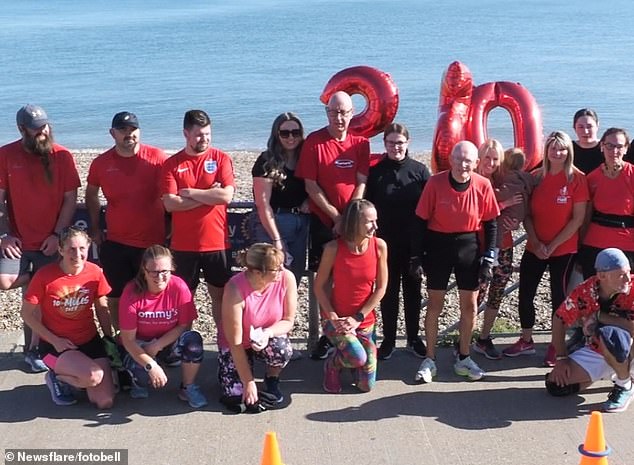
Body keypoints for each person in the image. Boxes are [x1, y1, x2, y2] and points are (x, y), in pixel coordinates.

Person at [0, 104, 80, 373]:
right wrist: (4, 235)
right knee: (5, 281)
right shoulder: (6, 154)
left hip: (51, 240)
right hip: (18, 241)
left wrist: (57, 235)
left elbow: (71, 199)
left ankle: (34, 351)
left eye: (45, 126)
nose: (43, 132)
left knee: (42, 300)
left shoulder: (63, 156)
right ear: (22, 129)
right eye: (36, 129)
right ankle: (36, 279)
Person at [411, 141, 499, 383]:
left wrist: (488, 259)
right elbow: (419, 221)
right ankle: (430, 358)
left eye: (468, 160)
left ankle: (464, 356)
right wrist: (416, 257)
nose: (463, 164)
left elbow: (492, 224)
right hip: (438, 245)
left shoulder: (483, 185)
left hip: (468, 246)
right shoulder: (435, 183)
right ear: (450, 160)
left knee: (469, 307)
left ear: (476, 163)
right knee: (435, 306)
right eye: (458, 159)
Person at [503, 131, 589, 366]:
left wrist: (551, 246)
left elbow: (577, 219)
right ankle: (526, 339)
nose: (558, 153)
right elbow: (527, 215)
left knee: (558, 298)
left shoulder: (577, 179)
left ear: (568, 152)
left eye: (562, 149)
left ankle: (556, 345)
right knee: (526, 294)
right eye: (553, 148)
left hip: (563, 250)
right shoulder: (535, 177)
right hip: (535, 246)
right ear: (547, 151)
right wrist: (537, 243)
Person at [295, 91, 370, 360]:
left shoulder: (360, 143)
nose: (339, 118)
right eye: (333, 112)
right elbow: (310, 185)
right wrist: (336, 217)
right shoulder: (314, 142)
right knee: (323, 278)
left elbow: (361, 180)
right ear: (327, 113)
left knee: (352, 277)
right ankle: (330, 333)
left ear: (352, 113)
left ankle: (355, 329)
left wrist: (350, 216)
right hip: (322, 222)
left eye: (344, 112)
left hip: (353, 223)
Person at [86, 111, 167, 331]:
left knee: (153, 293)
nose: (128, 135)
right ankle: (122, 339)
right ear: (112, 133)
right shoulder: (101, 163)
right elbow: (91, 194)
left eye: (133, 130)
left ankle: (153, 338)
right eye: (123, 130)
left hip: (153, 242)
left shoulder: (158, 158)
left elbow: (172, 191)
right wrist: (94, 227)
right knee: (116, 295)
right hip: (116, 241)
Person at [20, 227, 114, 408]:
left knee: (105, 402)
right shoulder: (44, 276)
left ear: (88, 247)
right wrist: (55, 340)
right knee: (93, 376)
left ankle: (77, 378)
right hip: (55, 347)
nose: (77, 254)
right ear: (61, 250)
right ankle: (56, 377)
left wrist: (109, 338)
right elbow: (26, 313)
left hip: (89, 341)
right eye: (71, 249)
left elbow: (102, 308)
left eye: (82, 248)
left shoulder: (95, 272)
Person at [161, 109, 235, 331]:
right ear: (186, 133)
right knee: (184, 300)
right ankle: (184, 344)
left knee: (220, 296)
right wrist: (209, 196)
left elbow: (226, 196)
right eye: (199, 135)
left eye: (208, 134)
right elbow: (170, 204)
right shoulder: (172, 164)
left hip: (217, 243)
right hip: (184, 245)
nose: (204, 139)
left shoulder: (221, 158)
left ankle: (224, 344)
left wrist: (191, 192)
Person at [365, 123, 430, 360]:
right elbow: (366, 208)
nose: (395, 147)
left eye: (400, 143)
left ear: (407, 143)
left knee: (413, 292)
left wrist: (424, 247)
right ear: (385, 144)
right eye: (391, 143)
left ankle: (413, 338)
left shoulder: (420, 171)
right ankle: (389, 340)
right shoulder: (377, 172)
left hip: (414, 243)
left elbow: (430, 210)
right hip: (384, 244)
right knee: (388, 292)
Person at [118, 245, 207, 408]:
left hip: (166, 342)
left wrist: (158, 345)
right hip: (139, 345)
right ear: (144, 270)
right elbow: (128, 340)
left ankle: (187, 387)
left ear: (172, 269)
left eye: (165, 271)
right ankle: (138, 381)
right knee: (143, 377)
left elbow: (183, 325)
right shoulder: (131, 292)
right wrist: (151, 365)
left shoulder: (179, 286)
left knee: (193, 340)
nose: (160, 277)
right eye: (154, 272)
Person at [546, 248, 634, 413]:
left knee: (611, 334)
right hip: (598, 348)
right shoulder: (585, 291)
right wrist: (561, 358)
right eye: (621, 274)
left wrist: (601, 316)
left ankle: (625, 385)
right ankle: (613, 370)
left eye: (629, 272)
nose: (627, 278)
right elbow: (559, 319)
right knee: (556, 384)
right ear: (602, 276)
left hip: (629, 347)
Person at [315, 199, 388, 393]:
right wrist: (332, 316)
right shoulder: (333, 248)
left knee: (366, 386)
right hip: (336, 319)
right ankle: (333, 364)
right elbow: (319, 286)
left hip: (363, 320)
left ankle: (350, 358)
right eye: (370, 222)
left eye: (376, 221)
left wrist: (358, 317)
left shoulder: (379, 246)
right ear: (355, 222)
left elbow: (381, 288)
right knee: (358, 358)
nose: (375, 226)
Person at [219, 243, 297, 411]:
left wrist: (268, 333)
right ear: (257, 272)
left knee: (282, 349)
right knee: (237, 396)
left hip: (266, 337)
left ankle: (271, 378)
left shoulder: (286, 278)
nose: (281, 270)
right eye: (276, 268)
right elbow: (235, 342)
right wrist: (249, 382)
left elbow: (288, 320)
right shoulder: (234, 288)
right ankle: (238, 375)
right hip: (238, 344)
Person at [472, 141, 526, 360]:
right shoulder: (472, 179)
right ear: (479, 158)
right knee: (475, 295)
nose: (491, 163)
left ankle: (484, 338)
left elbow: (519, 203)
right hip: (479, 247)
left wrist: (515, 217)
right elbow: (474, 210)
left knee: (496, 294)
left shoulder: (503, 181)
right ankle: (465, 340)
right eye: (487, 158)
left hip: (504, 245)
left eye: (496, 159)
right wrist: (504, 205)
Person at [251, 112, 310, 284]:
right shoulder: (266, 161)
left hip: (301, 223)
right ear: (276, 135)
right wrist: (277, 239)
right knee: (270, 277)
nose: (291, 137)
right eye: (285, 133)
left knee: (294, 277)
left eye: (295, 132)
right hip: (274, 223)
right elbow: (262, 204)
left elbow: (317, 184)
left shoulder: (305, 158)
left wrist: (310, 201)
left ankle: (288, 311)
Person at [578, 128, 634, 279]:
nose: (614, 150)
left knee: (623, 295)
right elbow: (585, 217)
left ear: (626, 148)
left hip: (627, 245)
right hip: (594, 244)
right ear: (602, 146)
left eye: (619, 146)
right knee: (593, 293)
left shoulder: (632, 175)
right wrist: (579, 247)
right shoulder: (591, 178)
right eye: (610, 145)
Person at [572, 108, 602, 175]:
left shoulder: (607, 148)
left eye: (589, 126)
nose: (585, 131)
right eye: (581, 127)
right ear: (574, 128)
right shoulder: (568, 149)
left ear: (597, 126)